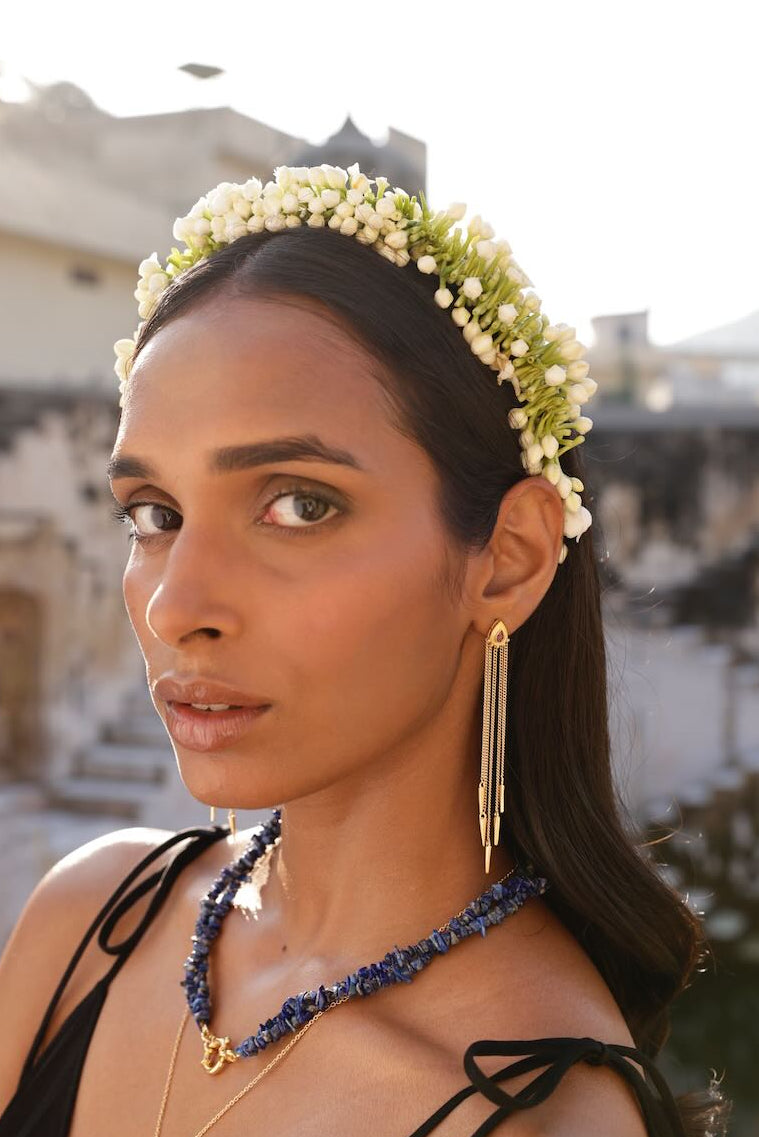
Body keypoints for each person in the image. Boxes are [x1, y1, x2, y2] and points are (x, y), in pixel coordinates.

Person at [0, 164, 731, 1137]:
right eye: (155, 512)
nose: (177, 606)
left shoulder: (543, 1119)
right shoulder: (87, 924)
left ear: (509, 561)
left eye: (299, 505)